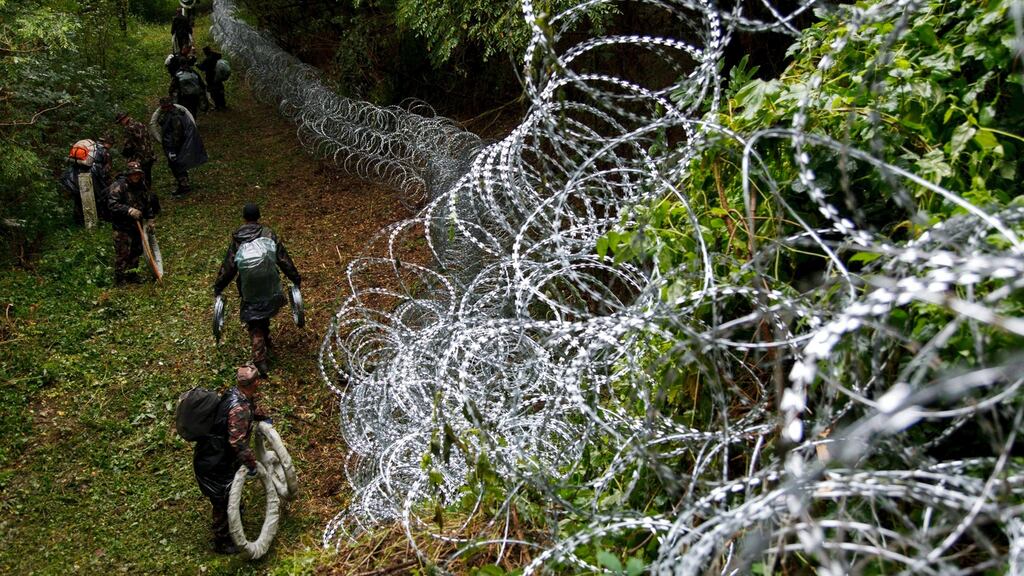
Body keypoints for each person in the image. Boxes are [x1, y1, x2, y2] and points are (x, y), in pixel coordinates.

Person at [213, 203, 302, 376]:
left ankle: (260, 355)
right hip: (269, 281)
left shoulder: (238, 239)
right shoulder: (268, 233)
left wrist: (219, 286)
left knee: (254, 319)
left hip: (249, 284)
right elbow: (283, 258)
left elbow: (229, 266)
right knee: (265, 308)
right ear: (258, 217)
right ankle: (264, 346)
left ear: (244, 218)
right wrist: (295, 277)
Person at [192, 363, 271, 555]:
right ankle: (222, 540)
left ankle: (235, 514)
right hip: (214, 461)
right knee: (221, 498)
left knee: (227, 493)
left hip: (215, 456)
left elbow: (249, 409)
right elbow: (237, 442)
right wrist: (252, 465)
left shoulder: (234, 394)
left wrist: (262, 416)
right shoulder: (239, 408)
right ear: (256, 383)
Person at [106, 161, 161, 284]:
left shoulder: (142, 185)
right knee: (123, 253)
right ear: (128, 175)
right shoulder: (119, 186)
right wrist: (129, 210)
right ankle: (120, 278)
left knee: (136, 250)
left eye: (138, 174)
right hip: (122, 226)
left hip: (137, 224)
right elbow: (112, 205)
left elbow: (147, 204)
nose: (136, 176)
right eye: (133, 174)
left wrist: (150, 219)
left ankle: (133, 275)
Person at [151, 97, 207, 197]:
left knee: (177, 166)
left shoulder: (175, 116)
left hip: (174, 146)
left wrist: (173, 148)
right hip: (173, 145)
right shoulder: (172, 113)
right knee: (177, 166)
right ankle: (183, 185)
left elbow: (177, 134)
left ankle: (184, 187)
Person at [114, 112, 157, 190]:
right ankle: (148, 192)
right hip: (149, 155)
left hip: (139, 158)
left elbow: (128, 146)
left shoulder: (129, 128)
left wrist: (125, 154)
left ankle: (144, 195)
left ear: (123, 119)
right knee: (147, 176)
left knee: (139, 177)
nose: (121, 124)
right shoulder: (140, 124)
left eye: (120, 122)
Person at [197, 46, 227, 111]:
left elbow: (202, 68)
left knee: (213, 92)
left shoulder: (207, 59)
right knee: (220, 90)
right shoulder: (216, 56)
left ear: (205, 52)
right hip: (218, 76)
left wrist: (196, 64)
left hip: (211, 78)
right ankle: (223, 105)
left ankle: (217, 106)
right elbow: (220, 55)